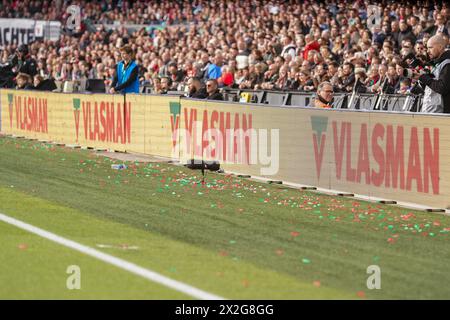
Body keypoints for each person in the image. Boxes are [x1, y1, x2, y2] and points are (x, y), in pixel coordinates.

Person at [418, 34, 450, 113]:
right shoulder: (436, 64)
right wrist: (421, 79)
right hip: (431, 111)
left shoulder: (447, 64)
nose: (428, 51)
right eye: (427, 48)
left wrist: (425, 78)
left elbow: (442, 87)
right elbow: (431, 87)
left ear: (440, 47)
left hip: (442, 114)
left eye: (430, 48)